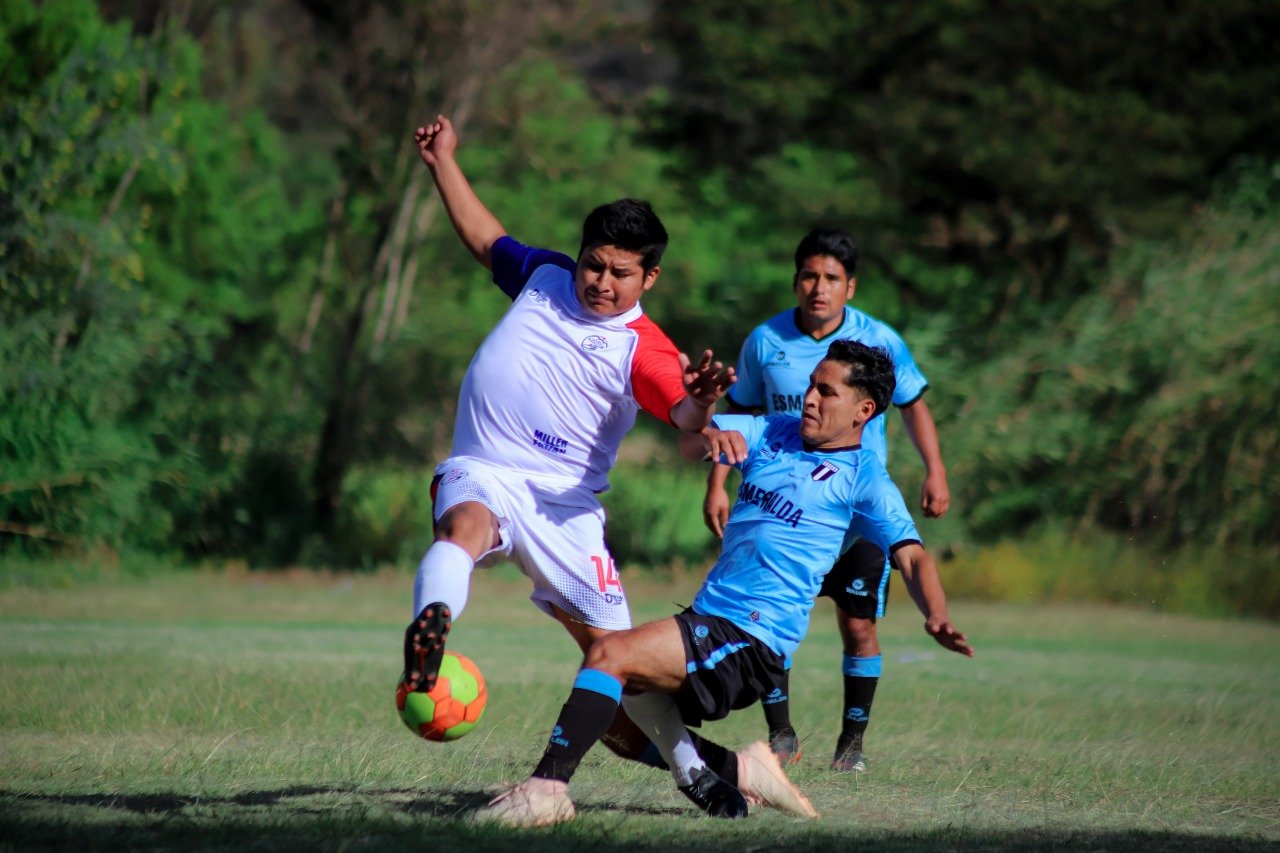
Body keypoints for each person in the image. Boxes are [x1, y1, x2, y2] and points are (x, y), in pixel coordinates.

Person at [402, 115, 769, 795]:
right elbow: (486, 238)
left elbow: (682, 410)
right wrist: (442, 161)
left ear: (649, 277)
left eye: (620, 273)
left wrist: (702, 401)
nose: (600, 281)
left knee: (619, 692)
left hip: (567, 511)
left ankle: (719, 770)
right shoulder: (544, 274)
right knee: (465, 527)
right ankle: (431, 630)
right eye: (593, 263)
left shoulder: (644, 347)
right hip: (485, 467)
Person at [476, 340, 973, 826]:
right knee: (611, 717)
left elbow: (913, 558)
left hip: (752, 639)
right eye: (810, 386)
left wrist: (937, 613)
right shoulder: (774, 431)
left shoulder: (865, 478)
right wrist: (707, 417)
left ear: (864, 410)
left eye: (827, 391)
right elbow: (692, 441)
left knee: (609, 657)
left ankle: (547, 791)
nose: (810, 398)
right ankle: (732, 769)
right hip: (709, 616)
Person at [704, 229, 951, 771]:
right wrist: (718, 485)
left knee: (859, 625)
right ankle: (782, 735)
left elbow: (913, 404)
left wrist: (935, 470)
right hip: (786, 505)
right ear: (796, 281)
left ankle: (852, 745)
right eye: (810, 276)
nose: (819, 288)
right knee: (766, 614)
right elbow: (733, 418)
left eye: (831, 278)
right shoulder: (764, 342)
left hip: (853, 512)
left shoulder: (878, 343)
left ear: (850, 287)